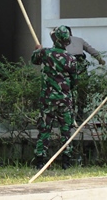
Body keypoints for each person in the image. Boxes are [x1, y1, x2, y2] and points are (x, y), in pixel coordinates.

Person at [31, 25, 78, 170]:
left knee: (45, 129)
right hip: (64, 100)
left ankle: (40, 160)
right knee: (66, 131)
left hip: (48, 99)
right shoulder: (71, 59)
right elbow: (75, 82)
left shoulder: (45, 54)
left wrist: (38, 49)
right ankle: (66, 161)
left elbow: (34, 59)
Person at [64, 26, 105, 122]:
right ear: (71, 33)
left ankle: (71, 113)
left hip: (68, 66)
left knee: (68, 90)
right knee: (82, 89)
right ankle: (80, 112)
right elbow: (91, 50)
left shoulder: (60, 42)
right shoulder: (79, 40)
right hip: (81, 65)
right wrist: (100, 59)